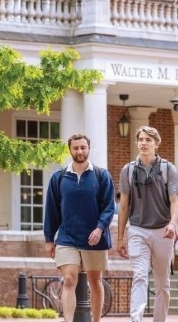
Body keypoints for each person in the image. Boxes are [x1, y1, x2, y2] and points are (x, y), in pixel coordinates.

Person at [44, 133, 115, 322]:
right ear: (70, 150)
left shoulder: (102, 176)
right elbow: (51, 210)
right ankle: (68, 320)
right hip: (67, 237)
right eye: (76, 148)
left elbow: (109, 207)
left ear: (88, 149)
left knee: (95, 281)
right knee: (69, 279)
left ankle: (97, 320)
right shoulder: (58, 178)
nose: (80, 151)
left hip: (95, 238)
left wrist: (100, 229)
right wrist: (49, 239)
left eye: (83, 147)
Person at [117, 126, 178, 322]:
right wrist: (120, 238)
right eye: (141, 139)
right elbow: (124, 206)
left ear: (156, 143)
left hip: (163, 230)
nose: (144, 143)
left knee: (162, 283)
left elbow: (175, 201)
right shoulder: (127, 170)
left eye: (148, 139)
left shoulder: (168, 169)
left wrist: (173, 224)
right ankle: (136, 319)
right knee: (140, 275)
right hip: (137, 229)